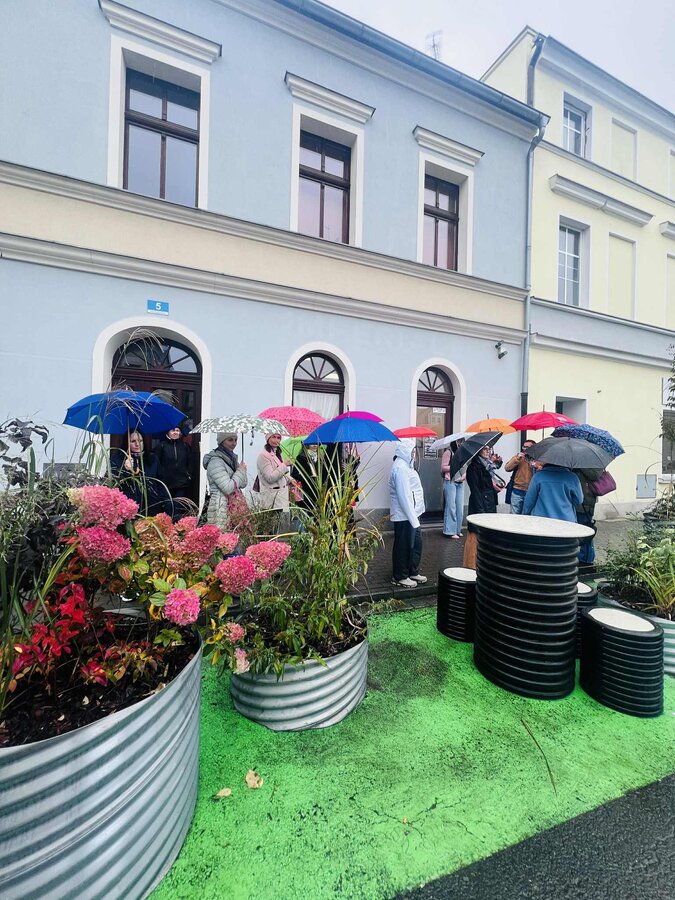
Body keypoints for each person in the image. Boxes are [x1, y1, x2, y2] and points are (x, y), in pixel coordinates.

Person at [389, 439, 427, 588]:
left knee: (416, 544)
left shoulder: (406, 466)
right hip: (405, 516)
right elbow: (404, 496)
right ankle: (400, 576)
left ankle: (412, 571)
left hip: (411, 515)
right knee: (403, 545)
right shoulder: (400, 468)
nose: (414, 454)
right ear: (405, 451)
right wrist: (413, 519)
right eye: (412, 451)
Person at [111, 431, 171, 516]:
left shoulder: (153, 459)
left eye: (140, 441)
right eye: (133, 441)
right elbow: (114, 483)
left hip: (152, 507)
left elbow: (160, 481)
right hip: (128, 508)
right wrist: (125, 470)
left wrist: (161, 500)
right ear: (126, 443)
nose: (137, 444)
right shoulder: (117, 460)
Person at [202, 432, 248, 530]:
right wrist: (240, 471)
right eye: (230, 440)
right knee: (223, 536)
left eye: (235, 440)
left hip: (234, 505)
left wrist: (241, 469)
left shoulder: (231, 459)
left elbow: (243, 484)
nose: (234, 443)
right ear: (221, 441)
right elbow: (227, 488)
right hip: (221, 506)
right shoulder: (215, 462)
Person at [154, 423, 192, 518]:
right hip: (166, 483)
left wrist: (189, 475)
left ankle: (178, 524)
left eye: (177, 430)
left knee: (178, 506)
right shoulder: (161, 446)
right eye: (172, 430)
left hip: (181, 482)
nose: (175, 432)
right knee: (168, 506)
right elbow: (156, 463)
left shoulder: (185, 446)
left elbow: (190, 462)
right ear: (168, 432)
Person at [255, 432, 294, 526]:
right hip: (272, 498)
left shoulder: (277, 453)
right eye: (273, 437)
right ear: (268, 439)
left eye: (278, 438)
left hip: (280, 497)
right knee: (272, 526)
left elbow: (281, 472)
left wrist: (290, 479)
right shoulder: (263, 455)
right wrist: (285, 464)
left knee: (280, 526)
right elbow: (270, 477)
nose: (276, 440)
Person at [575, 467, 604, 567]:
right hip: (577, 500)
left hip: (586, 502)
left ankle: (587, 560)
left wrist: (581, 466)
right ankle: (582, 558)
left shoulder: (592, 462)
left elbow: (595, 475)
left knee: (586, 533)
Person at [441, 440, 466, 539]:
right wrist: (454, 466)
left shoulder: (462, 453)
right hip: (450, 481)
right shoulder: (448, 452)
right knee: (451, 507)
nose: (461, 444)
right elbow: (443, 468)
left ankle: (457, 530)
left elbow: (464, 467)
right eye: (459, 442)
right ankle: (450, 531)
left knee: (459, 507)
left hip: (460, 482)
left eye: (462, 442)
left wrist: (464, 476)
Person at [504, 439, 535, 514]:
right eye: (524, 447)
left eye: (528, 447)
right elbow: (507, 468)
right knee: (515, 514)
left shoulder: (537, 459)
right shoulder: (518, 457)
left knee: (528, 514)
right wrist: (517, 459)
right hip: (517, 490)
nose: (525, 449)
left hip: (531, 491)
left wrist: (535, 465)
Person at [466, 445, 499, 514]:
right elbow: (475, 490)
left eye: (489, 449)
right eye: (485, 449)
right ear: (478, 451)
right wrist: (480, 510)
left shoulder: (487, 465)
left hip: (490, 502)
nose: (488, 451)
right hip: (481, 504)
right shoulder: (473, 467)